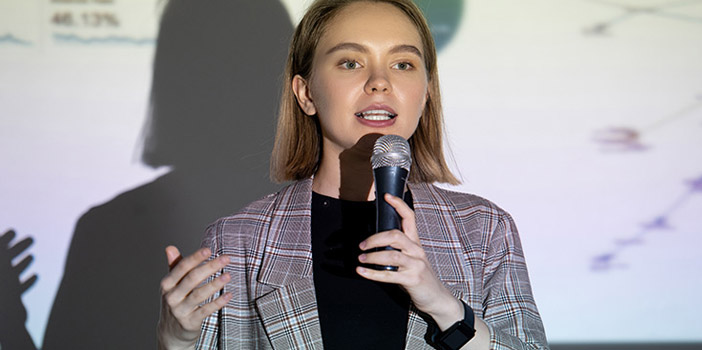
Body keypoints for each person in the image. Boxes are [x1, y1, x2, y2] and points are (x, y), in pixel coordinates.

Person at [157, 0, 548, 349]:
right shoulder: (239, 242)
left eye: (403, 64)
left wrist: (444, 307)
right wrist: (175, 340)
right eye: (350, 62)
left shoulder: (483, 230)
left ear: (425, 94)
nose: (380, 81)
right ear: (306, 93)